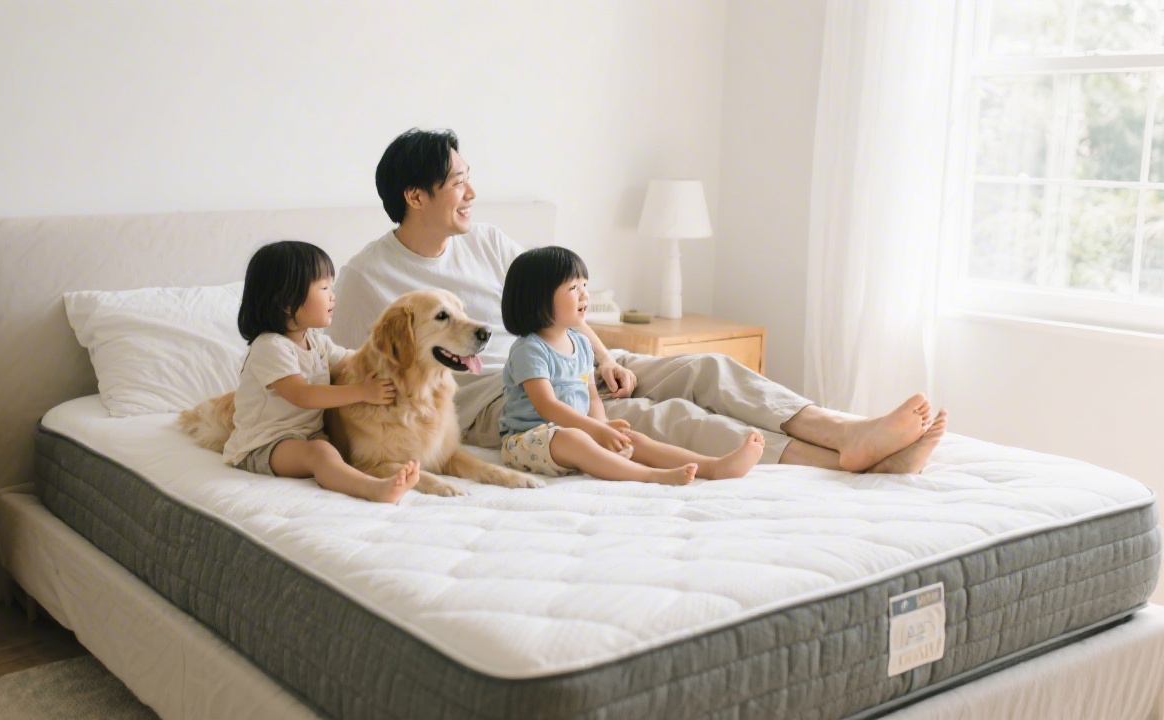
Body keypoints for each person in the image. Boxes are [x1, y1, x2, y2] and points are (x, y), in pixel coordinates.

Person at [328, 128, 948, 475]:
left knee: (704, 368)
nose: (471, 192)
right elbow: (341, 373)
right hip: (498, 394)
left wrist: (601, 357)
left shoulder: (487, 241)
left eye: (468, 178)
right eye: (458, 182)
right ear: (415, 196)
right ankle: (838, 461)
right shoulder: (366, 278)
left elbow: (555, 309)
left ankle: (846, 430)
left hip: (562, 354)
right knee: (645, 418)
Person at [499, 246, 766, 485]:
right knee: (574, 439)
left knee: (630, 437)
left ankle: (714, 467)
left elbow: (592, 397)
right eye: (573, 288)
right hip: (528, 440)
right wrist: (595, 431)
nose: (584, 295)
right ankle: (650, 475)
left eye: (584, 285)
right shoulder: (529, 349)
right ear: (538, 298)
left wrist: (604, 427)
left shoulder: (581, 343)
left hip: (579, 431)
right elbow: (547, 405)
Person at [222, 240, 420, 503]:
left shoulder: (316, 342)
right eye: (324, 288)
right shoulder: (270, 347)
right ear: (287, 301)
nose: (332, 295)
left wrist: (394, 357)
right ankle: (375, 489)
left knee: (331, 448)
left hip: (308, 435)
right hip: (265, 444)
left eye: (332, 287)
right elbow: (302, 395)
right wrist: (362, 392)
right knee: (319, 453)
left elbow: (353, 361)